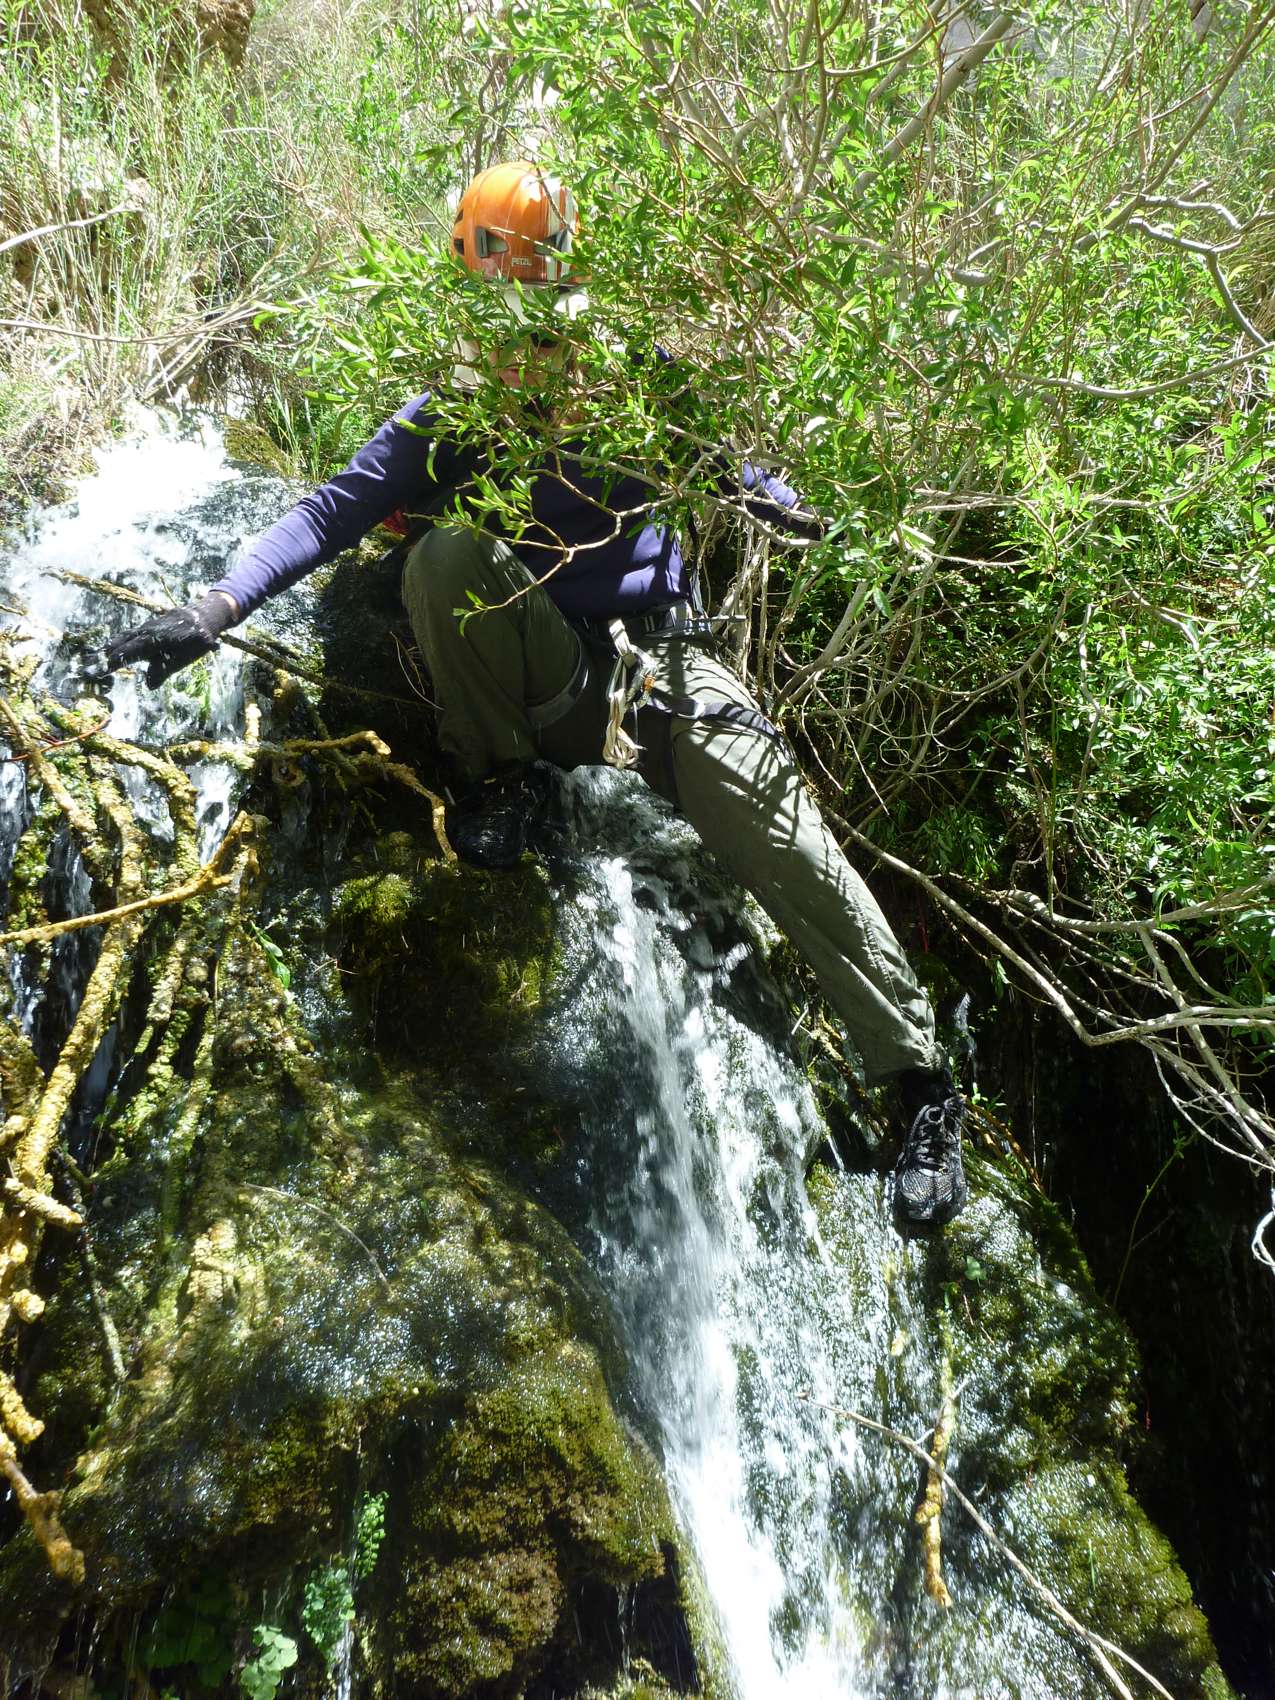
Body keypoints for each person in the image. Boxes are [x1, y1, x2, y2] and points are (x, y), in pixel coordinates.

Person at [99, 161, 968, 1227]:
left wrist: (784, 501)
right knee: (442, 557)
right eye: (503, 311)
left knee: (777, 822)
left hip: (661, 671)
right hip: (547, 683)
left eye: (541, 313)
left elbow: (724, 462)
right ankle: (501, 780)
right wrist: (215, 607)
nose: (527, 340)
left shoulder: (636, 381)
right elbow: (329, 513)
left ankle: (919, 1084)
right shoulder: (448, 415)